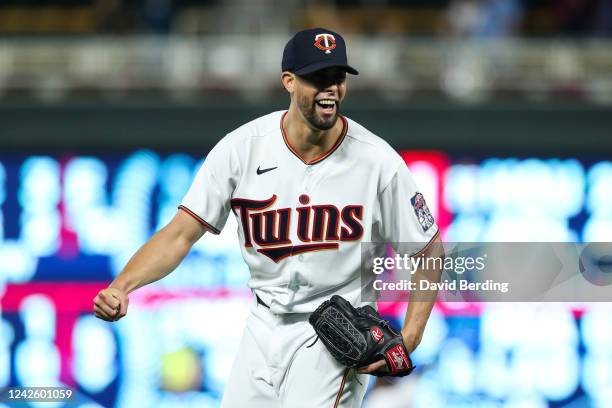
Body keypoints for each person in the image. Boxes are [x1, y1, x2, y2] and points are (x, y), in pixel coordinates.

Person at [93, 27, 442, 408]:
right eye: (318, 78)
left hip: (334, 336)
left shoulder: (377, 161)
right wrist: (122, 286)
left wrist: (410, 336)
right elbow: (180, 234)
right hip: (262, 325)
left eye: (337, 78)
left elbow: (429, 250)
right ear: (289, 81)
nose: (331, 89)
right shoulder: (243, 148)